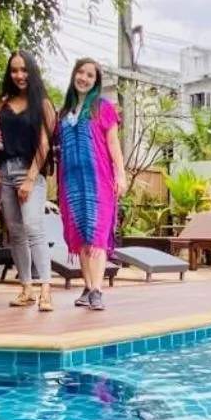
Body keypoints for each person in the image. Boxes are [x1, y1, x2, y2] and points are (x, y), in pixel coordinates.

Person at [55, 57, 126, 311]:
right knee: (80, 233)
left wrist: (120, 174)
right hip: (71, 182)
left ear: (96, 82)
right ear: (74, 75)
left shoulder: (102, 107)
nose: (84, 78)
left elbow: (113, 144)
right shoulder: (63, 113)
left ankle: (97, 289)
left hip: (99, 181)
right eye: (81, 73)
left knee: (96, 234)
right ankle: (87, 287)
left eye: (90, 76)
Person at [0, 50, 57, 311]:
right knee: (16, 233)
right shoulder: (3, 103)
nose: (19, 75)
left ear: (32, 71)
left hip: (28, 172)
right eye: (14, 70)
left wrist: (30, 180)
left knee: (33, 228)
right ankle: (26, 288)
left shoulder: (42, 103)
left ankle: (46, 288)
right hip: (4, 173)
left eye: (24, 70)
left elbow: (44, 144)